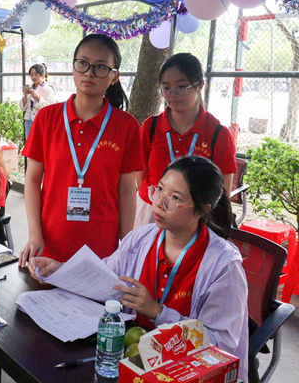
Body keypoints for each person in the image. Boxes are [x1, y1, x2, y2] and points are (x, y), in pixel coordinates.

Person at [30, 156, 248, 382]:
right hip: (133, 358)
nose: (159, 203)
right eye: (160, 189)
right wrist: (61, 269)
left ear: (203, 209)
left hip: (185, 372)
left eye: (175, 198)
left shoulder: (223, 267)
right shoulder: (142, 239)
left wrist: (158, 312)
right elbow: (105, 276)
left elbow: (220, 345)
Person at [19, 34, 143, 266]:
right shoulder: (47, 118)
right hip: (50, 244)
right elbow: (33, 181)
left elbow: (127, 190)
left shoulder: (126, 126)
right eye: (83, 63)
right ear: (73, 67)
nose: (89, 73)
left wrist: (126, 244)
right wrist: (35, 235)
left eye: (101, 67)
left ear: (114, 76)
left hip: (102, 249)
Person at [135, 53, 236, 227]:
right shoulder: (150, 127)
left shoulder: (218, 134)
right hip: (150, 213)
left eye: (181, 86)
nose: (173, 94)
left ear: (200, 85)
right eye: (166, 88)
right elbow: (140, 176)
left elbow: (223, 191)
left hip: (194, 218)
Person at [20, 63, 56, 140]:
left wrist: (38, 97)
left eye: (36, 74)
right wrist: (25, 95)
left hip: (41, 120)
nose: (34, 77)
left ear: (43, 75)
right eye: (31, 75)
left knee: (41, 141)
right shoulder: (29, 87)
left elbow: (50, 107)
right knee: (29, 141)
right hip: (29, 120)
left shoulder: (48, 89)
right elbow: (22, 107)